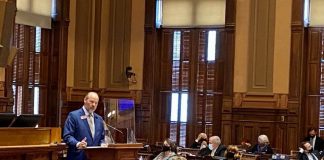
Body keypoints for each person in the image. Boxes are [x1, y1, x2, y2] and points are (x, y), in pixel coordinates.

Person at [63, 92, 105, 160]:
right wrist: (78, 143)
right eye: (91, 101)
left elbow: (102, 138)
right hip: (78, 156)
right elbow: (67, 136)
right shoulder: (73, 116)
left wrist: (103, 144)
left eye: (96, 103)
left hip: (95, 157)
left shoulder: (99, 119)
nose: (94, 105)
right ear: (85, 100)